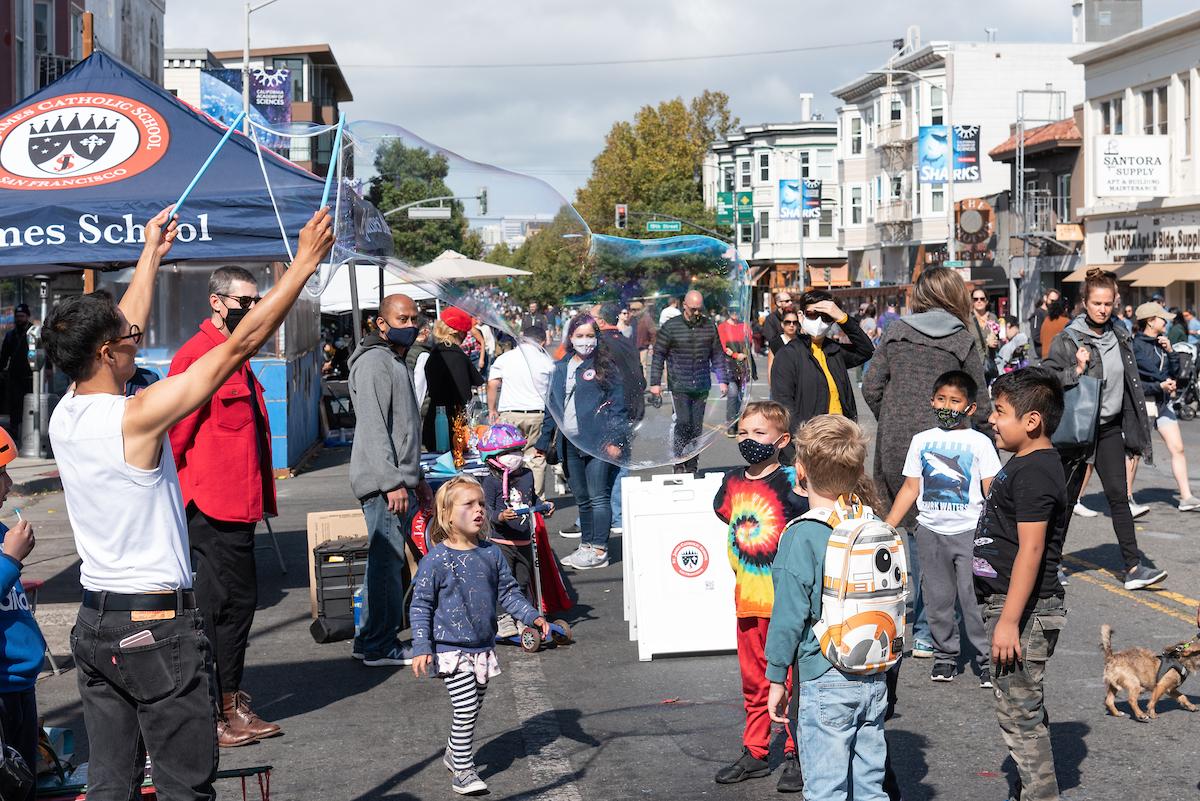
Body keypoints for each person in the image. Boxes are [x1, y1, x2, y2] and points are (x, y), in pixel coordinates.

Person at [45, 207, 333, 800]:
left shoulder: (65, 415)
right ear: (105, 353)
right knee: (183, 788)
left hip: (96, 623)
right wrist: (303, 265)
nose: (138, 339)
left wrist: (152, 252)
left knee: (112, 784)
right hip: (153, 627)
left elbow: (125, 321)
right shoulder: (135, 417)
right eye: (128, 340)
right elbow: (240, 344)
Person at [167, 266, 280, 747]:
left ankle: (230, 703)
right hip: (209, 507)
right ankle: (214, 712)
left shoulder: (236, 352)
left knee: (237, 607)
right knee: (218, 611)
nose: (252, 310)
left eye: (257, 302)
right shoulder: (198, 356)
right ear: (217, 302)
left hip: (237, 504)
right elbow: (174, 435)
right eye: (244, 302)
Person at [863, 266, 992, 658]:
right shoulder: (962, 339)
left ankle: (917, 622)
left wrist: (893, 415)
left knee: (914, 528)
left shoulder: (896, 332)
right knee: (939, 526)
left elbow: (871, 386)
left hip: (897, 438)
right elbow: (979, 400)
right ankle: (926, 629)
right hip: (947, 442)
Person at [765, 415, 889, 801]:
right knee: (870, 788)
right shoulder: (869, 522)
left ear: (800, 472)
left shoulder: (803, 534)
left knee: (825, 789)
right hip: (873, 673)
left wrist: (775, 676)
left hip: (825, 672)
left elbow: (788, 614)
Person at [409, 476, 550, 796]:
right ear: (446, 514)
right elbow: (420, 606)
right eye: (468, 504)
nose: (479, 511)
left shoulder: (491, 554)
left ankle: (452, 752)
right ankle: (463, 769)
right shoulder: (436, 560)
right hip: (450, 648)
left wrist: (532, 616)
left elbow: (510, 593)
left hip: (483, 646)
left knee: (475, 703)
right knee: (467, 707)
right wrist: (421, 646)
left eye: (482, 505)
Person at [973, 368, 1068, 801]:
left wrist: (1009, 621)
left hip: (1023, 612)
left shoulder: (1035, 473)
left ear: (1032, 422)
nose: (992, 419)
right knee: (1022, 704)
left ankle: (1041, 795)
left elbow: (1031, 550)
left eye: (1000, 411)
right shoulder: (1025, 463)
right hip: (1011, 605)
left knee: (1019, 713)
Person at [1043, 269, 1164, 591]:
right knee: (1064, 500)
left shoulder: (1120, 333)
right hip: (1076, 430)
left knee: (1118, 496)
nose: (1102, 309)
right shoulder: (1068, 338)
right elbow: (1049, 378)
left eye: (1108, 303)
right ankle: (1050, 566)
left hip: (1108, 428)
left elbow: (1132, 376)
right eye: (1096, 303)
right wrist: (1077, 368)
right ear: (1085, 302)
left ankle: (1133, 567)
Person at [712, 402, 807, 793]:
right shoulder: (732, 482)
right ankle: (754, 750)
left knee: (787, 681)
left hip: (785, 603)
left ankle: (794, 752)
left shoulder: (792, 482)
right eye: (745, 433)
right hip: (748, 599)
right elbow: (724, 514)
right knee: (754, 681)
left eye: (760, 433)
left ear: (782, 441)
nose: (750, 440)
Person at [885, 371, 999, 687]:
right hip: (930, 533)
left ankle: (986, 660)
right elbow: (910, 487)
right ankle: (944, 656)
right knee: (937, 600)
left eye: (955, 401)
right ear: (931, 400)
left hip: (969, 533)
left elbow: (991, 490)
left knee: (973, 600)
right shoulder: (921, 441)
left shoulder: (981, 442)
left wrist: (1000, 531)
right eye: (941, 399)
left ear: (971, 408)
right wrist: (887, 526)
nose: (946, 406)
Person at [348, 294, 431, 667]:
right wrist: (393, 482)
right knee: (386, 564)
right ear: (381, 323)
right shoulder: (374, 363)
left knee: (386, 563)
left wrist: (418, 479)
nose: (410, 324)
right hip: (384, 486)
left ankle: (370, 638)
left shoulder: (393, 360)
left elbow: (404, 430)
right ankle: (379, 644)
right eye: (402, 318)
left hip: (398, 481)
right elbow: (375, 429)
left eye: (414, 317)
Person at [535, 314, 628, 570]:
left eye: (590, 335)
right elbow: (551, 408)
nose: (585, 341)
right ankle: (586, 545)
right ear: (570, 338)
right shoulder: (561, 367)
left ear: (597, 337)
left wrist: (615, 441)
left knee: (599, 496)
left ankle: (599, 549)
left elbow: (619, 408)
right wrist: (542, 444)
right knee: (583, 498)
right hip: (570, 443)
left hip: (598, 442)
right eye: (580, 336)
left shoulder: (605, 367)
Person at [0, 427, 44, 801]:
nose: (9, 483)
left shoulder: (1, 532)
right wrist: (10, 559)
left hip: (20, 684)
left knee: (24, 783)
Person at [478, 424, 555, 638]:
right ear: (493, 457)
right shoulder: (491, 482)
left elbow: (532, 498)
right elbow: (486, 510)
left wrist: (544, 505)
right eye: (507, 453)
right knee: (503, 581)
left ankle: (523, 615)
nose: (514, 457)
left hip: (524, 540)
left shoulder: (527, 475)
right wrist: (500, 517)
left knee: (522, 581)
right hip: (501, 542)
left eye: (516, 451)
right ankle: (503, 618)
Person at [1130, 302, 1199, 511]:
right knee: (1136, 452)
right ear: (1150, 321)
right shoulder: (1136, 346)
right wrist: (1160, 384)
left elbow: (1176, 372)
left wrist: (1170, 351)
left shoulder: (1162, 343)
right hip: (1145, 403)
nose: (1166, 322)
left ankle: (1186, 496)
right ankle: (1126, 499)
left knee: (1178, 448)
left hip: (1163, 403)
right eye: (1162, 319)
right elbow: (1137, 381)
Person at [649, 290, 727, 474]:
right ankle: (678, 460)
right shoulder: (671, 326)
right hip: (679, 383)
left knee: (696, 426)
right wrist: (655, 383)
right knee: (683, 422)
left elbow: (717, 354)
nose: (697, 313)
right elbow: (659, 355)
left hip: (701, 383)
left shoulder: (709, 326)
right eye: (693, 309)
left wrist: (723, 379)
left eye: (699, 309)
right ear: (684, 305)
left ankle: (692, 463)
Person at [770, 290, 873, 426]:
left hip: (842, 435)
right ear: (801, 316)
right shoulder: (788, 354)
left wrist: (843, 318)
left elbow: (866, 350)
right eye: (812, 314)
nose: (819, 321)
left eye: (826, 316)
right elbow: (784, 408)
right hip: (810, 440)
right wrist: (799, 443)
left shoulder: (834, 350)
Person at [594, 303, 646, 534]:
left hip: (612, 410)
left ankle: (613, 516)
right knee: (621, 464)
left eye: (592, 317)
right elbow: (639, 376)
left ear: (601, 321)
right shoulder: (625, 339)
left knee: (603, 466)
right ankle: (617, 515)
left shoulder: (601, 343)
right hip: (632, 408)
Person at [486, 325, 554, 497]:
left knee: (507, 458)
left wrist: (491, 409)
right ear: (543, 341)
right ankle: (535, 499)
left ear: (523, 337)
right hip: (537, 413)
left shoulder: (505, 358)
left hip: (510, 413)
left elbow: (493, 384)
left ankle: (508, 496)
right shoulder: (547, 361)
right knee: (536, 458)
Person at [423, 307, 486, 453]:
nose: (466, 336)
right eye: (465, 332)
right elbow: (464, 395)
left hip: (434, 418)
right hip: (453, 424)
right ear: (456, 332)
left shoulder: (434, 353)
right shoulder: (457, 357)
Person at [717, 307, 756, 437]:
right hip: (729, 364)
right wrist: (735, 355)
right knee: (733, 394)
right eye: (732, 311)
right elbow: (723, 346)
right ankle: (731, 426)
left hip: (743, 365)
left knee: (741, 396)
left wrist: (743, 354)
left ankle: (739, 424)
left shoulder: (744, 326)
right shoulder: (722, 327)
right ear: (728, 312)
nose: (735, 313)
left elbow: (748, 342)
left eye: (737, 311)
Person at [0, 304, 33, 444]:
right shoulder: (11, 335)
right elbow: (4, 356)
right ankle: (15, 431)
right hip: (15, 376)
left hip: (31, 376)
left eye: (22, 316)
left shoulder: (33, 333)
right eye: (17, 316)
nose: (19, 319)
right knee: (15, 405)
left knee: (30, 405)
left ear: (27, 316)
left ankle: (29, 431)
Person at [761, 291, 795, 381]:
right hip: (779, 361)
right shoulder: (770, 319)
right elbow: (772, 340)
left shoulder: (793, 317)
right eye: (787, 301)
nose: (790, 303)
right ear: (778, 303)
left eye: (791, 300)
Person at [970, 289, 1000, 383]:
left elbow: (999, 340)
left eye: (982, 299)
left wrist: (995, 343)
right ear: (972, 301)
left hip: (988, 362)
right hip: (973, 364)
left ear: (986, 301)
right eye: (975, 299)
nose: (979, 301)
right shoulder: (967, 319)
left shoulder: (993, 317)